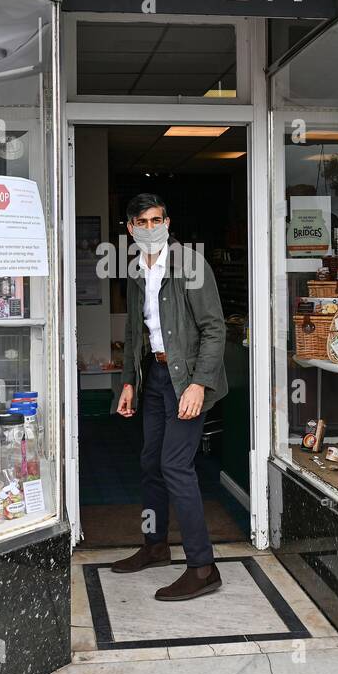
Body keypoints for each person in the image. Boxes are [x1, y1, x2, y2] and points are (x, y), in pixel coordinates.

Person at [112, 193, 228, 601]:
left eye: (156, 219)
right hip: (155, 376)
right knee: (150, 463)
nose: (150, 227)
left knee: (175, 465)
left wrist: (199, 384)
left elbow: (215, 329)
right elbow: (133, 332)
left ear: (167, 221)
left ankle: (203, 567)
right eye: (141, 222)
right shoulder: (134, 269)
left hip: (187, 379)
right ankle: (155, 545)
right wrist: (128, 382)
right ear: (130, 228)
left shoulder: (191, 265)